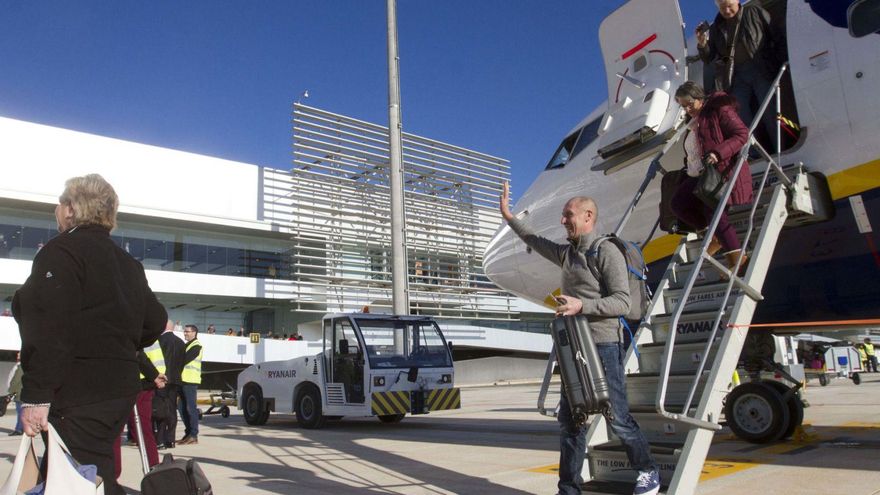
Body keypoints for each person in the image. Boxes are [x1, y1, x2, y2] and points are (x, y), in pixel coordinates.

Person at [499, 182, 660, 495]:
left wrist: (580, 305)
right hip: (575, 349)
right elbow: (533, 238)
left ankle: (648, 470)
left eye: (567, 215)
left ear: (588, 216)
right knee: (572, 422)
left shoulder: (606, 251)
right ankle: (568, 489)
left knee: (618, 417)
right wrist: (508, 216)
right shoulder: (566, 254)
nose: (562, 221)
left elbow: (622, 303)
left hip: (603, 345)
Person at [12, 174, 166, 495]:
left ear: (70, 209)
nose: (56, 210)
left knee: (73, 479)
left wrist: (37, 396)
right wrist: (113, 340)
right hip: (120, 389)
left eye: (60, 202)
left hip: (78, 392)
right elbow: (155, 321)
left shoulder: (62, 252)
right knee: (94, 472)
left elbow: (46, 326)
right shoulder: (127, 263)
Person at [672, 81, 754, 275]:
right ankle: (714, 239)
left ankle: (737, 258)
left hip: (720, 170)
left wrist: (718, 153)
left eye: (690, 104)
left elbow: (742, 134)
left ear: (700, 99)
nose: (687, 109)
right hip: (698, 173)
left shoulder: (719, 109)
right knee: (678, 203)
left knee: (714, 213)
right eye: (683, 106)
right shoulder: (694, 121)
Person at [696, 0, 784, 139]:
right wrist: (702, 44)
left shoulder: (753, 12)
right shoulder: (716, 28)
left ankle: (780, 146)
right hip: (736, 76)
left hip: (760, 68)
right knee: (740, 116)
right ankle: (752, 153)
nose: (727, 11)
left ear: (737, 1)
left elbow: (775, 33)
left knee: (769, 111)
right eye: (723, 8)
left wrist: (781, 61)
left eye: (730, 6)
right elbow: (709, 58)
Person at [112, 347, 167, 478]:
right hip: (144, 383)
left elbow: (135, 351)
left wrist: (153, 375)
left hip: (133, 383)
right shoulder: (151, 333)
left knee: (115, 431)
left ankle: (112, 477)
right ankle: (154, 472)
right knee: (144, 431)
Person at [155, 319, 185, 449]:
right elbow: (182, 362)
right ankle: (171, 439)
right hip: (176, 380)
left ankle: (160, 439)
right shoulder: (180, 342)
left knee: (161, 410)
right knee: (172, 409)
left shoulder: (159, 341)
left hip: (163, 379)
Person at [178, 324, 203, 445]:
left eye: (187, 332)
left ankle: (193, 435)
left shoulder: (196, 346)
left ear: (194, 333)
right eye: (185, 332)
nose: (185, 333)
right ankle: (188, 433)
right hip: (183, 380)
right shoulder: (187, 345)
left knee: (190, 408)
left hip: (190, 381)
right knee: (181, 407)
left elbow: (184, 359)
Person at [6, 352, 23, 436]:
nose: (17, 355)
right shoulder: (20, 365)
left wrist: (11, 391)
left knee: (20, 411)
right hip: (19, 392)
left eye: (19, 354)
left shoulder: (21, 366)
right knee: (21, 411)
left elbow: (16, 380)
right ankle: (21, 428)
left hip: (18, 393)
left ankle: (19, 429)